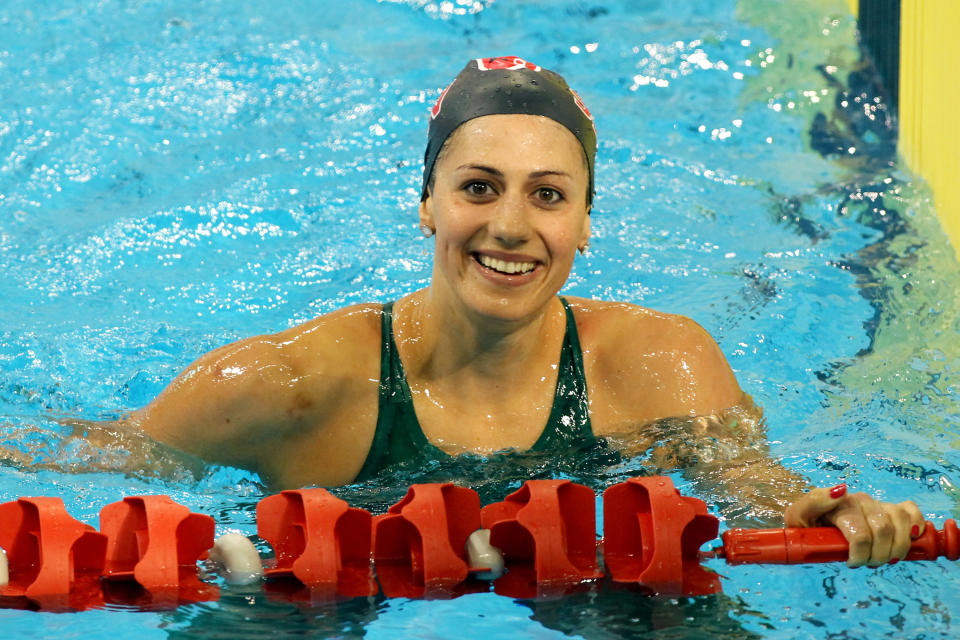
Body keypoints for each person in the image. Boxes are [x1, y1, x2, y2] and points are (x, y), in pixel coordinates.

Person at [121, 56, 923, 568]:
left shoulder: (657, 366)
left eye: (547, 195)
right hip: (330, 573)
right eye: (478, 187)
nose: (510, 225)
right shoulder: (291, 385)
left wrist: (831, 510)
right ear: (426, 204)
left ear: (582, 223)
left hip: (585, 573)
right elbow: (99, 459)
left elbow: (756, 486)